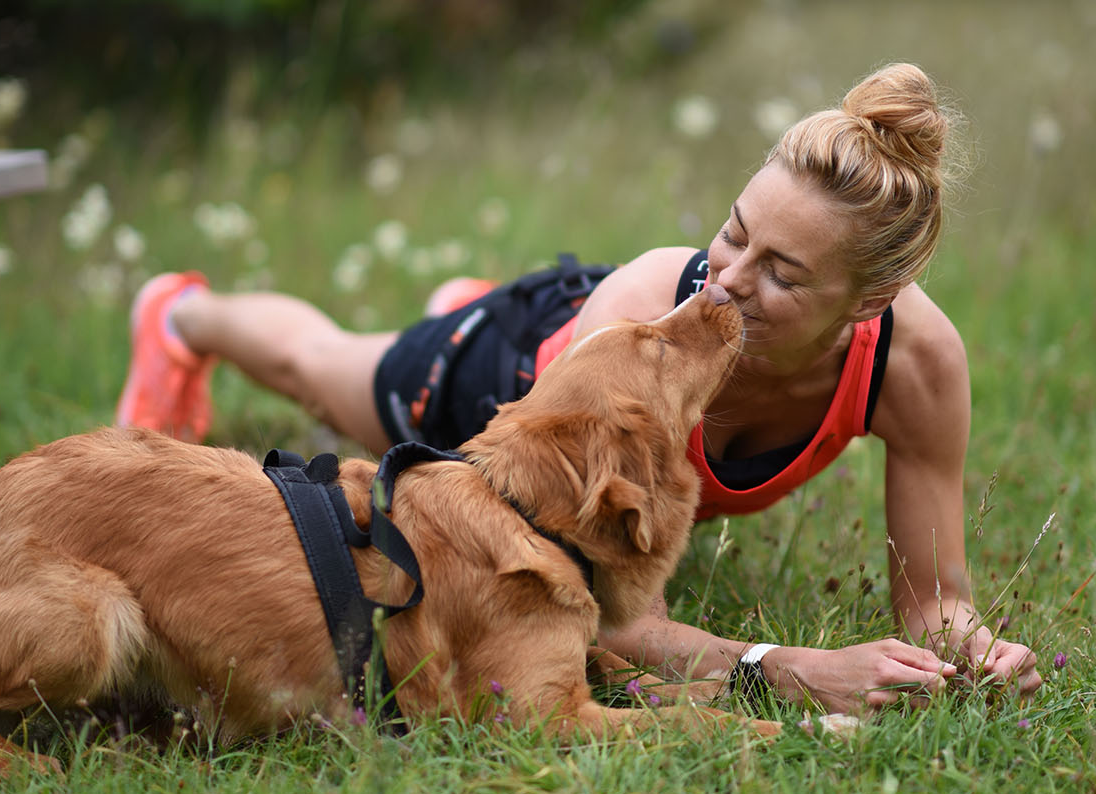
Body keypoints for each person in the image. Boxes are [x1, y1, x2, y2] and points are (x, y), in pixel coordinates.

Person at [114, 63, 1043, 714]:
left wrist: (975, 650)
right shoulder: (649, 299)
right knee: (324, 371)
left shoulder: (915, 364)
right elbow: (619, 625)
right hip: (517, 391)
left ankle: (468, 299)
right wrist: (779, 665)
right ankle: (182, 318)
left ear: (871, 300)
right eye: (732, 231)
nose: (726, 280)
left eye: (783, 275)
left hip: (621, 358)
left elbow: (934, 601)